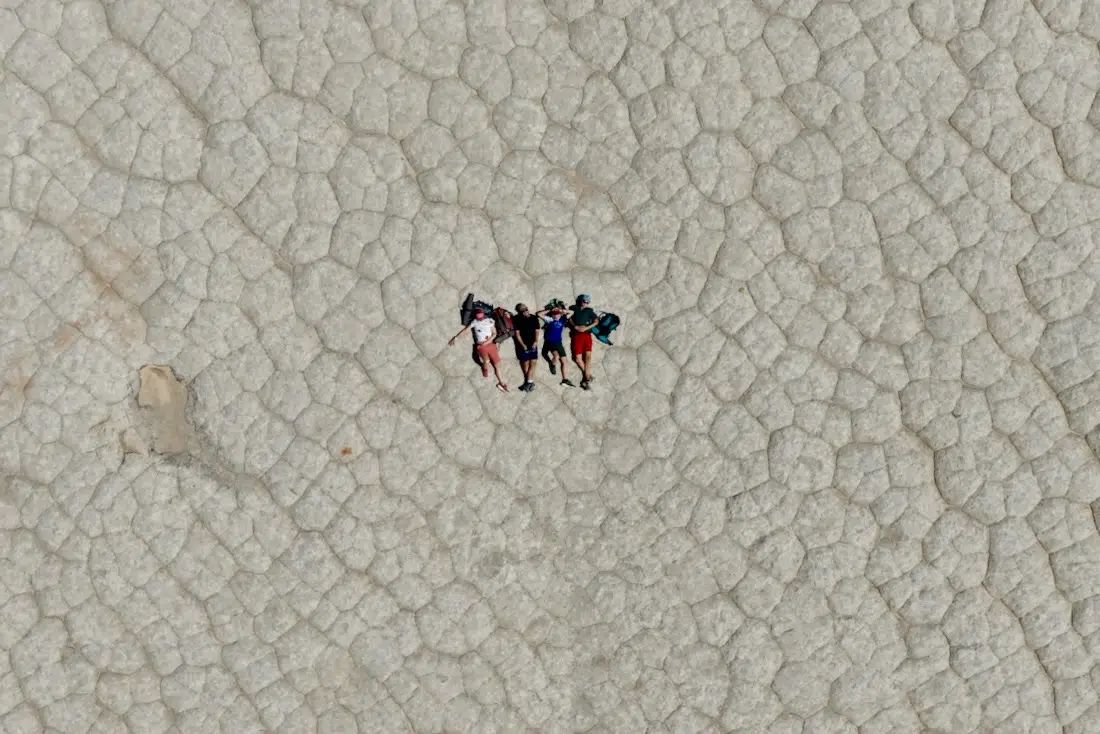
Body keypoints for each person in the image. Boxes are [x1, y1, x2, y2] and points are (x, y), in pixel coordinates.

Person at [449, 308, 508, 392]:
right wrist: (455, 338)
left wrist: (488, 342)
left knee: (497, 365)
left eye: (481, 318)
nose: (480, 320)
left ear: (484, 316)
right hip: (481, 345)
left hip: (490, 344)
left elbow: (494, 334)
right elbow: (465, 330)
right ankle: (485, 369)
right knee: (486, 362)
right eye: (478, 319)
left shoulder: (490, 321)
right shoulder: (474, 322)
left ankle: (502, 383)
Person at [537, 304, 574, 387]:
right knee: (556, 357)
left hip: (559, 343)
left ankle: (565, 380)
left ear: (560, 315)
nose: (556, 315)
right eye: (555, 314)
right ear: (552, 315)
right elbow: (539, 314)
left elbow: (572, 312)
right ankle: (552, 364)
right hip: (550, 342)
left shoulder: (563, 319)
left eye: (558, 314)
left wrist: (562, 311)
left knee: (565, 361)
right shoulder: (549, 320)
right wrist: (550, 310)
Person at [569, 294, 598, 390]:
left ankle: (586, 381)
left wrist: (586, 327)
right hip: (577, 336)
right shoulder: (573, 308)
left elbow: (596, 321)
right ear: (580, 300)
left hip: (587, 335)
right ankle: (588, 376)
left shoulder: (589, 311)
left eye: (587, 302)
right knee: (577, 359)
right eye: (584, 301)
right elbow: (568, 317)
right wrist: (574, 326)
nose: (585, 303)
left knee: (588, 358)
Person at [512, 304, 541, 392]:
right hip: (522, 345)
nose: (526, 311)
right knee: (525, 364)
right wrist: (523, 345)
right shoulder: (517, 319)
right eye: (523, 311)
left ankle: (528, 383)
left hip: (533, 345)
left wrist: (536, 341)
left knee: (533, 364)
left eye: (526, 309)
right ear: (520, 312)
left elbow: (537, 331)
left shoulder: (534, 318)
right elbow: (517, 334)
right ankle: (529, 383)